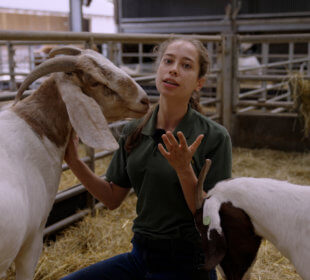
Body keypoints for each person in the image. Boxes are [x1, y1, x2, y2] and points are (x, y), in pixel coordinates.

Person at [62, 37, 232, 280]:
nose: (174, 69)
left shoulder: (215, 137)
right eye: (168, 61)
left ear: (199, 83)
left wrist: (184, 170)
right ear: (158, 69)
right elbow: (111, 198)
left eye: (186, 65)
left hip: (189, 264)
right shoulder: (134, 131)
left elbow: (209, 216)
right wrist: (75, 162)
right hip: (140, 257)